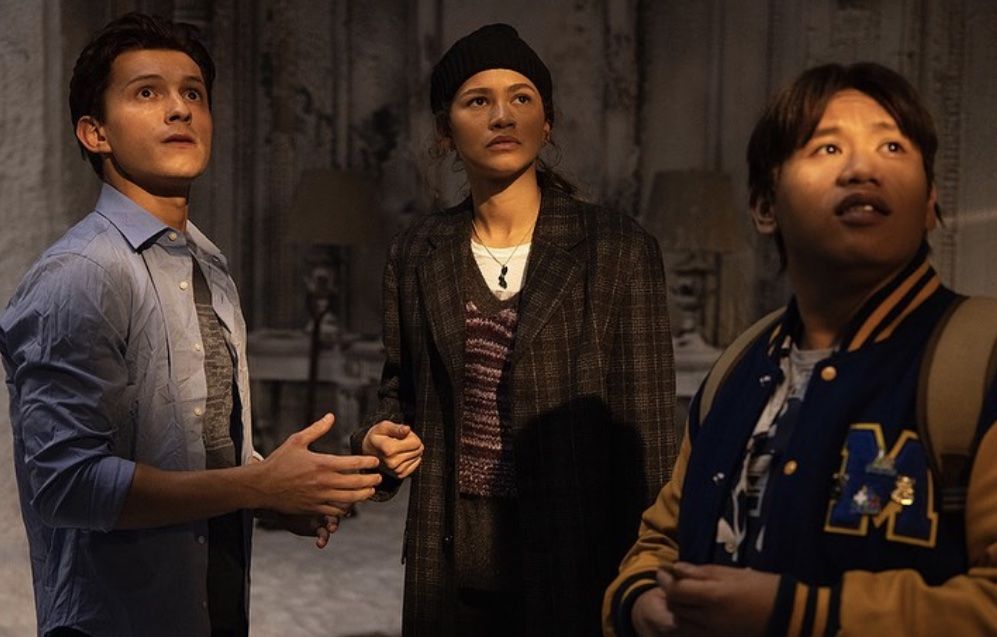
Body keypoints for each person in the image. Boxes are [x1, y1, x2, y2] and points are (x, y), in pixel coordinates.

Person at [0, 13, 381, 637]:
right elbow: (67, 485)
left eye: (193, 93)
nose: (179, 108)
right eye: (147, 92)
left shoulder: (207, 263)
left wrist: (283, 494)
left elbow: (205, 449)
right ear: (95, 132)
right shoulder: (82, 274)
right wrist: (257, 486)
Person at [603, 62, 997, 637]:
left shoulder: (980, 359)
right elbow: (660, 541)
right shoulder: (740, 366)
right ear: (765, 206)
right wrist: (642, 603)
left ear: (931, 201)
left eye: (892, 146)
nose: (862, 169)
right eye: (828, 148)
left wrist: (796, 613)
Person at [353, 23, 676, 637]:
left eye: (521, 98)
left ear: (546, 122)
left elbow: (649, 437)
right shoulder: (418, 251)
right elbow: (401, 393)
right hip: (451, 567)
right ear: (445, 131)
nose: (502, 115)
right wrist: (377, 440)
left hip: (580, 564)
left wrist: (649, 576)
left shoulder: (616, 247)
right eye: (478, 100)